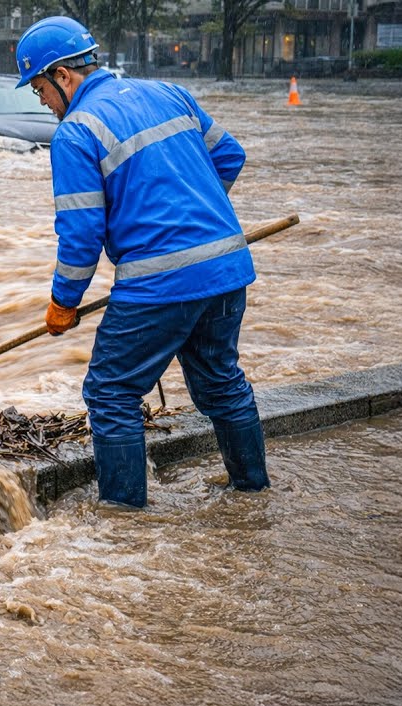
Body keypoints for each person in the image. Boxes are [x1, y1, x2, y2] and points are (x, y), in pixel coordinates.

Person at [14, 16, 269, 508]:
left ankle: (125, 518)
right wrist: (198, 215)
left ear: (64, 76)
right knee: (222, 384)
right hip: (226, 268)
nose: (42, 102)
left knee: (111, 393)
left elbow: (82, 234)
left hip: (158, 285)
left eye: (40, 89)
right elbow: (230, 156)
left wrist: (62, 302)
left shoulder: (75, 132)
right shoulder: (169, 91)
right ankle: (252, 491)